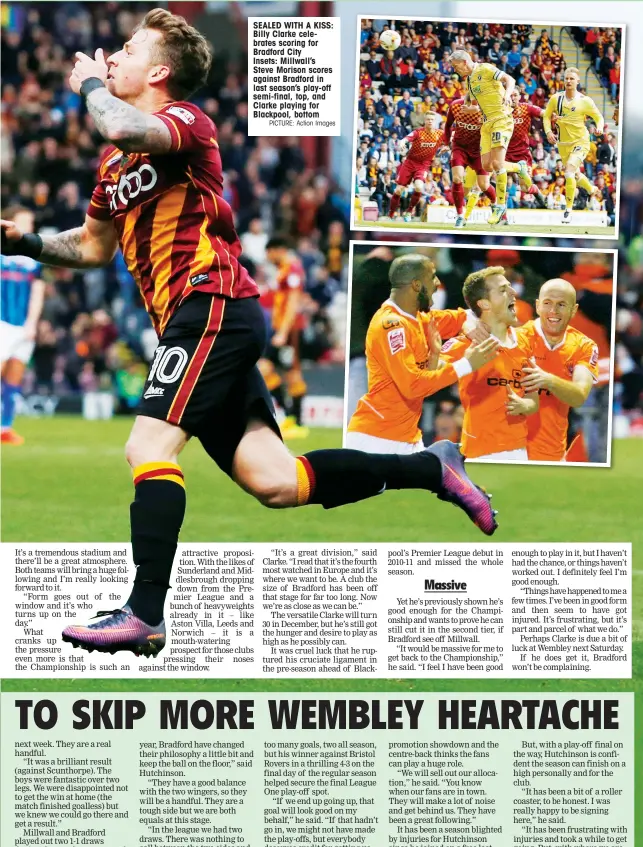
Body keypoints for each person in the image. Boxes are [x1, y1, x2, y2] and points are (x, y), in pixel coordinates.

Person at [1, 10, 499, 659]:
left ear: (158, 71)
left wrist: (91, 84)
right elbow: (93, 246)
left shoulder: (184, 124)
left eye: (126, 49)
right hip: (196, 320)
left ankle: (143, 611)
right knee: (277, 482)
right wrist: (31, 243)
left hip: (209, 303)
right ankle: (431, 466)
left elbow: (120, 120)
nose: (112, 56)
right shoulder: (113, 167)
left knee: (147, 443)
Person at [347, 253, 499, 454]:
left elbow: (454, 318)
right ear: (417, 285)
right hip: (376, 438)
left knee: (449, 476)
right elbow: (413, 386)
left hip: (405, 436)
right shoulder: (392, 326)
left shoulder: (418, 318)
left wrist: (466, 321)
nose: (437, 283)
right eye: (432, 277)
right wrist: (466, 365)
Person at [441, 267, 539, 462]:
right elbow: (426, 378)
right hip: (479, 454)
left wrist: (524, 405)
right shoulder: (464, 344)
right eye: (503, 290)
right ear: (485, 304)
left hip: (519, 452)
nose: (514, 293)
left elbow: (533, 401)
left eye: (510, 287)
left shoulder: (526, 343)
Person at [518, 279, 599, 462]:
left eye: (561, 304)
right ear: (538, 306)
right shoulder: (517, 339)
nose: (553, 311)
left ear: (574, 309)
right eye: (547, 303)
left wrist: (547, 380)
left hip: (551, 452)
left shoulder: (583, 346)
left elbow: (579, 396)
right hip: (511, 450)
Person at [449, 50, 516, 226]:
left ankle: (500, 207)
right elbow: (474, 104)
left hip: (501, 118)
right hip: (486, 125)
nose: (456, 71)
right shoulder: (470, 80)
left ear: (464, 62)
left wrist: (507, 94)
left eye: (456, 67)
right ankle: (519, 167)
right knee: (487, 165)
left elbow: (510, 80)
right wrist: (472, 109)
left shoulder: (485, 68)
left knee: (498, 165)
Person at [0, 206, 46, 445]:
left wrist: (32, 324)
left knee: (13, 379)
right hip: (2, 323)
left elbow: (38, 292)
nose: (30, 226)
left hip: (23, 326)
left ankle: (5, 427)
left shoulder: (34, 259)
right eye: (25, 221)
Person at [258, 235, 309, 439]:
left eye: (269, 253)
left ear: (277, 250)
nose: (268, 257)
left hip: (291, 331)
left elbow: (293, 303)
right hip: (281, 330)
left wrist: (283, 332)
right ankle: (289, 417)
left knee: (292, 374)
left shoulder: (293, 270)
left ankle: (296, 421)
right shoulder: (283, 271)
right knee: (266, 368)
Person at [543, 68, 604, 224]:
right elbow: (546, 116)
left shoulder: (585, 100)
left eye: (572, 78)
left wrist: (599, 127)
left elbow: (598, 117)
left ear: (577, 82)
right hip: (563, 143)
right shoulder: (556, 99)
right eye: (566, 78)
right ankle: (591, 189)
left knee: (569, 170)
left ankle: (568, 211)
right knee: (575, 175)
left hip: (581, 141)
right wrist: (549, 131)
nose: (568, 81)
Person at [443, 96, 496, 227]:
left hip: (479, 150)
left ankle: (496, 204)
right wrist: (446, 142)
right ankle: (460, 216)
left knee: (483, 185)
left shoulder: (487, 110)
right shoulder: (455, 106)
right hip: (459, 147)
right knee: (456, 177)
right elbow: (448, 125)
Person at [386, 112, 446, 222]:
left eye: (432, 119)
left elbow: (451, 139)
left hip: (423, 165)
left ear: (435, 121)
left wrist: (447, 147)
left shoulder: (440, 133)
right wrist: (402, 142)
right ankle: (390, 215)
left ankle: (408, 212)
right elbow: (406, 139)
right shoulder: (418, 132)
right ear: (425, 120)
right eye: (428, 119)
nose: (430, 121)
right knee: (399, 190)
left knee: (419, 187)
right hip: (410, 163)